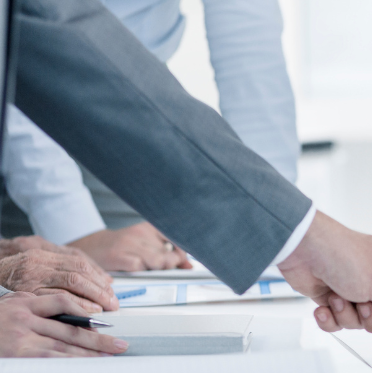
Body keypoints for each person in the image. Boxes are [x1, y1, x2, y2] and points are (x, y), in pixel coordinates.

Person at [9, 0, 372, 357]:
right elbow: (29, 38)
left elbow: (250, 49)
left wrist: (284, 233)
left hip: (135, 125)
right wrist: (75, 229)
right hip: (28, 112)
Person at [1, 0, 299, 273]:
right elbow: (20, 37)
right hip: (18, 112)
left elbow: (249, 44)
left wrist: (278, 223)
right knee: (38, 290)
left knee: (136, 280)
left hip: (128, 112)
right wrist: (75, 228)